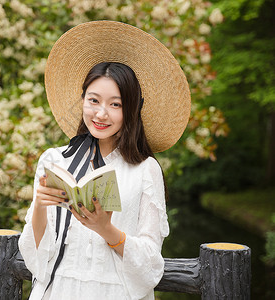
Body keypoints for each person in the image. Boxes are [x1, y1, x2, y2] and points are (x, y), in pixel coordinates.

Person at [18, 21, 191, 300]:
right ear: (82, 99)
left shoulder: (146, 170)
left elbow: (150, 261)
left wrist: (106, 229)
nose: (101, 114)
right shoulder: (55, 159)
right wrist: (39, 204)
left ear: (131, 110)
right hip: (59, 290)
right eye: (93, 100)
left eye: (115, 104)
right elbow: (36, 254)